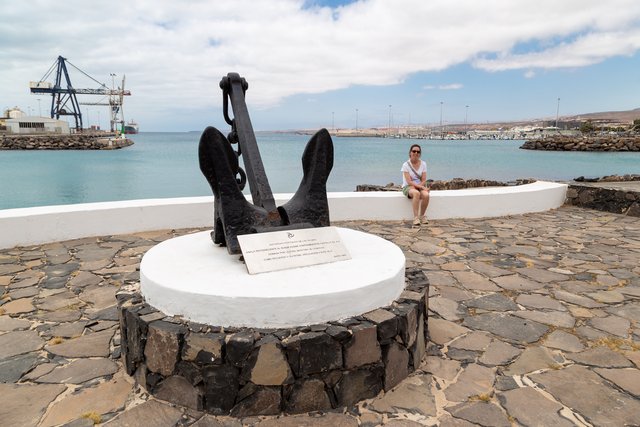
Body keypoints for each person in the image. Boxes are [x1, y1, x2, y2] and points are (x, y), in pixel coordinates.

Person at [401, 144, 430, 226]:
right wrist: (420, 187)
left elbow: (424, 179)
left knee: (426, 195)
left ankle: (422, 216)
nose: (416, 153)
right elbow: (409, 181)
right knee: (416, 193)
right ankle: (416, 218)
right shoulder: (405, 165)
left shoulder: (423, 164)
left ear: (420, 154)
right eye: (414, 151)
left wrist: (420, 186)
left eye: (418, 151)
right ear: (410, 153)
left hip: (419, 185)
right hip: (408, 186)